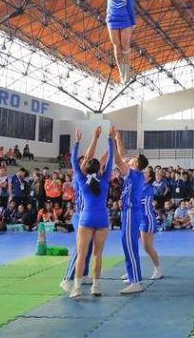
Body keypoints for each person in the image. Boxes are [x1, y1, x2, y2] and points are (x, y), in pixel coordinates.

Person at [69, 126, 113, 299]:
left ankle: (77, 287)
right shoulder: (105, 179)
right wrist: (110, 140)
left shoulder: (80, 179)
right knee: (98, 254)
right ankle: (96, 286)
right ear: (99, 169)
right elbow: (109, 160)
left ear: (85, 169)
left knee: (81, 254)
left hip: (86, 218)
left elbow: (74, 161)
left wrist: (77, 141)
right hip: (102, 219)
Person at [88, 0, 140, 83]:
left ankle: (127, 72)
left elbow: (130, 6)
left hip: (125, 20)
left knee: (125, 47)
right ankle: (122, 73)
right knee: (117, 48)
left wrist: (133, 22)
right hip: (112, 20)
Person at [113, 130, 148, 294]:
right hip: (129, 212)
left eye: (133, 159)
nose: (131, 158)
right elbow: (121, 155)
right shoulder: (136, 174)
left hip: (131, 212)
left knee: (130, 245)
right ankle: (131, 274)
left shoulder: (133, 174)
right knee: (126, 244)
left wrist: (110, 142)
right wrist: (117, 137)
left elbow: (118, 158)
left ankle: (136, 281)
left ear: (136, 164)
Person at [60, 155, 93, 293]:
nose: (85, 164)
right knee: (81, 248)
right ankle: (67, 279)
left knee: (89, 246)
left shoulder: (91, 178)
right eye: (82, 162)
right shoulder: (77, 178)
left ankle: (84, 274)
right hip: (80, 216)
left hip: (90, 215)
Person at [140, 167, 163, 280]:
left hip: (147, 219)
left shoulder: (148, 188)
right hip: (139, 219)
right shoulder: (141, 185)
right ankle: (132, 271)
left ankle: (158, 269)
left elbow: (141, 203)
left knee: (147, 247)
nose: (143, 173)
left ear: (149, 177)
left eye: (145, 172)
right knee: (132, 244)